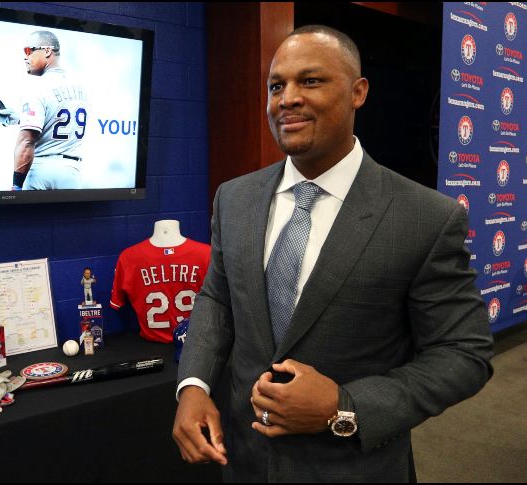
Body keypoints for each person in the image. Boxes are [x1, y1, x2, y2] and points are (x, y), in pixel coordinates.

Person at [172, 25, 494, 482]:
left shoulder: (425, 217)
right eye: (276, 85)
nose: (288, 98)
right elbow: (218, 299)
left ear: (358, 92)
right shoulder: (234, 199)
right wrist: (194, 385)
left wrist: (345, 406)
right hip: (243, 462)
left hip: (353, 467)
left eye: (311, 81)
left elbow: (464, 353)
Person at [13, 30, 88, 190]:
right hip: (71, 171)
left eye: (29, 50)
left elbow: (27, 140)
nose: (25, 57)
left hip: (40, 170)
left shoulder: (36, 87)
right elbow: (53, 117)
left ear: (47, 51)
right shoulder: (80, 87)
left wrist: (16, 185)